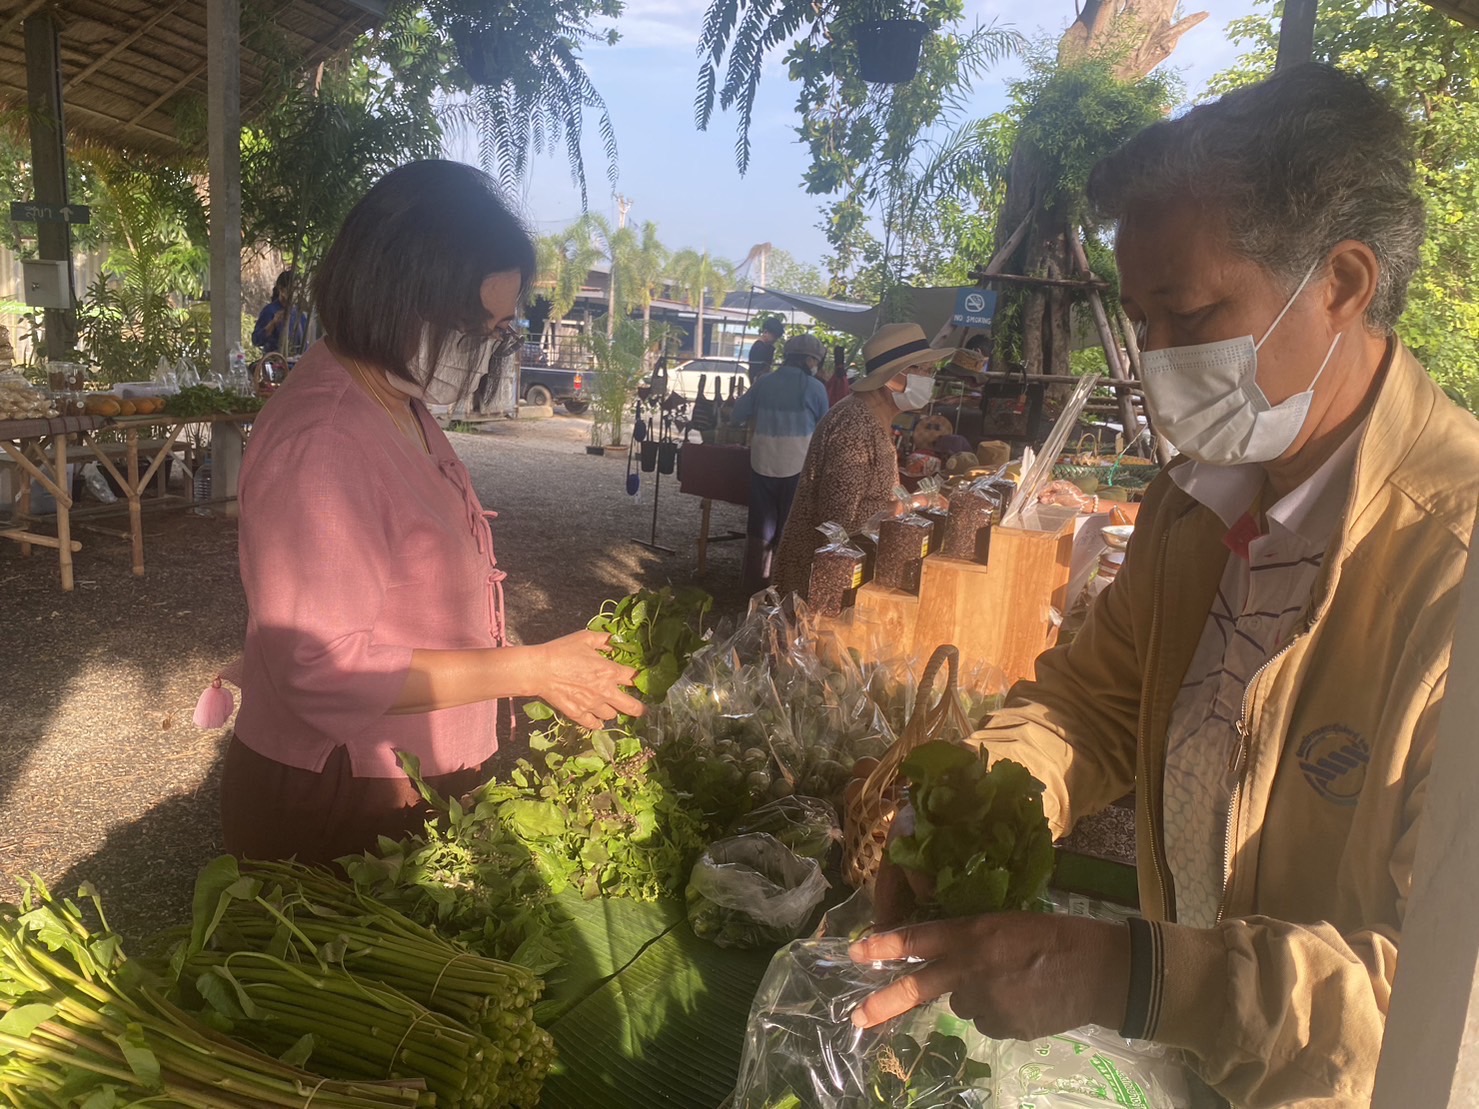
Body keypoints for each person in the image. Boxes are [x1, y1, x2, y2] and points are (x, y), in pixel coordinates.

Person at [850, 65, 1479, 1108]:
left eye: (1189, 315)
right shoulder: (1196, 510)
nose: (1155, 361)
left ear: (1343, 283)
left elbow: (1439, 1013)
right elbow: (1089, 702)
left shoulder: (1452, 570)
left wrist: (1130, 975)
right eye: (1142, 321)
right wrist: (971, 804)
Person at [222, 161, 643, 866]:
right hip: (341, 792)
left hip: (412, 775)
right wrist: (531, 669)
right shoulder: (324, 437)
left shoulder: (398, 403)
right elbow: (322, 669)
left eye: (501, 330)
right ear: (398, 296)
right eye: (480, 327)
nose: (488, 348)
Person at [770, 322, 957, 600]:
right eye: (924, 371)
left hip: (841, 575)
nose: (930, 380)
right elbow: (838, 522)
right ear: (893, 377)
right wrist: (915, 502)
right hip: (821, 584)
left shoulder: (872, 419)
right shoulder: (854, 424)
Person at [729, 333, 830, 594]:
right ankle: (783, 588)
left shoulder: (764, 382)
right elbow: (825, 430)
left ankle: (753, 588)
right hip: (797, 465)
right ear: (810, 360)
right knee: (790, 527)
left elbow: (736, 416)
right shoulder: (815, 387)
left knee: (760, 527)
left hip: (762, 461)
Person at [251, 269, 309, 355]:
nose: (296, 293)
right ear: (281, 289)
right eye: (292, 289)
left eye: (298, 289)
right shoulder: (270, 311)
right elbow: (256, 340)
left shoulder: (299, 314)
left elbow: (305, 344)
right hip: (276, 363)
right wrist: (273, 324)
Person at [747, 317, 784, 383]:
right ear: (765, 332)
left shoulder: (768, 347)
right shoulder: (759, 347)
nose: (775, 339)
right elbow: (757, 371)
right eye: (774, 336)